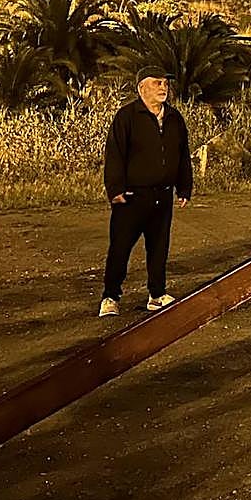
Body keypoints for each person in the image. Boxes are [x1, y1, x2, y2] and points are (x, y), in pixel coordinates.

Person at [99, 66, 192, 318]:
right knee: (120, 248)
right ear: (142, 88)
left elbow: (183, 155)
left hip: (162, 196)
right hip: (131, 197)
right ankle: (110, 296)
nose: (163, 88)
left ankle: (157, 294)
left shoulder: (174, 118)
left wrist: (184, 187)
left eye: (165, 83)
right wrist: (115, 189)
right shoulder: (127, 117)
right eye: (157, 83)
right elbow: (115, 154)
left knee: (159, 247)